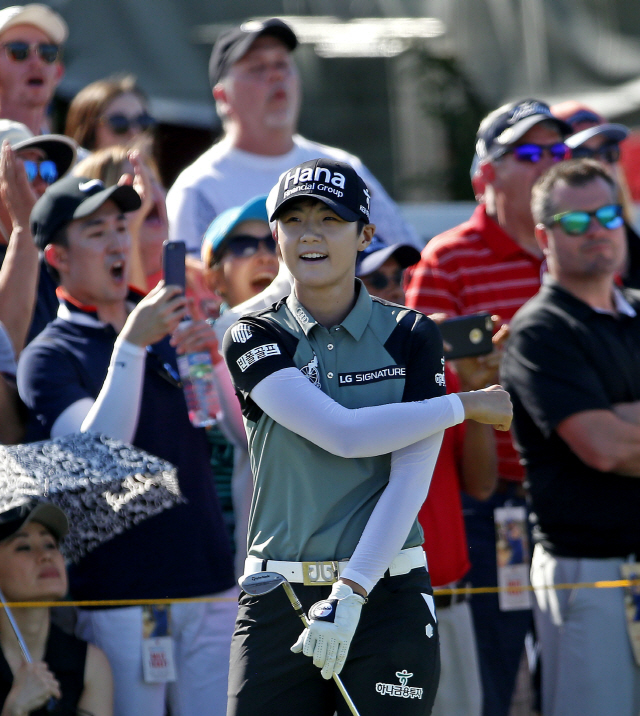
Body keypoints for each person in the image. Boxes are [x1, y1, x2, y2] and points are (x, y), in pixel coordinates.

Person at [222, 157, 512, 715]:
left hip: (388, 591)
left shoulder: (411, 333)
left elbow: (409, 478)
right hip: (277, 592)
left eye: (330, 219)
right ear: (275, 233)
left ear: (365, 235)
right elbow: (343, 435)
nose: (310, 234)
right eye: (294, 220)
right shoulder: (253, 332)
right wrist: (463, 405)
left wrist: (352, 591)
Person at [17, 176, 236, 716]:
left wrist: (218, 364)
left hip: (209, 581)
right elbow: (95, 459)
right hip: (121, 594)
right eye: (96, 232)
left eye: (122, 227)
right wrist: (132, 348)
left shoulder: (169, 323)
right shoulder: (49, 355)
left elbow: (238, 434)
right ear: (57, 258)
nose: (118, 243)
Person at [404, 98, 572, 716]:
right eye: (529, 154)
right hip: (489, 498)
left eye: (559, 153)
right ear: (485, 176)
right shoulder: (446, 259)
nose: (548, 166)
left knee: (580, 679)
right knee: (495, 685)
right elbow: (419, 377)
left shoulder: (580, 249)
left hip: (576, 493)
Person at [501, 158, 640, 716]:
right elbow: (604, 448)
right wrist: (614, 423)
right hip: (590, 573)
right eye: (576, 221)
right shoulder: (540, 330)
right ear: (545, 236)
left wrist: (621, 415)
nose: (598, 230)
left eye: (608, 214)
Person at [356, 238, 496, 716]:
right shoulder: (338, 378)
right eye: (378, 280)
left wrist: (474, 394)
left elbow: (481, 485)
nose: (395, 290)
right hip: (384, 609)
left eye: (402, 278)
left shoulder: (441, 372)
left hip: (452, 603)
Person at [166, 17, 420, 255]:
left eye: (282, 64)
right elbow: (197, 291)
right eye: (257, 68)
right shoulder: (199, 188)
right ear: (223, 97)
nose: (276, 75)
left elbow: (408, 259)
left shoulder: (343, 169)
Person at [0, 502, 112, 716]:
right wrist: (14, 710)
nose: (46, 556)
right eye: (24, 547)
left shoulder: (89, 663)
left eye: (50, 544)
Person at [0, 120, 76, 348]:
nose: (42, 185)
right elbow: (6, 352)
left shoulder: (53, 259)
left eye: (47, 171)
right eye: (26, 172)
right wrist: (24, 227)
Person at [0, 4, 66, 135]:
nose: (37, 63)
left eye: (47, 52)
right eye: (18, 51)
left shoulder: (75, 155)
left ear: (58, 73)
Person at [65, 76, 156, 156]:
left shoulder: (152, 175)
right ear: (88, 130)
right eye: (119, 123)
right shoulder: (71, 175)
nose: (134, 132)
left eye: (143, 121)